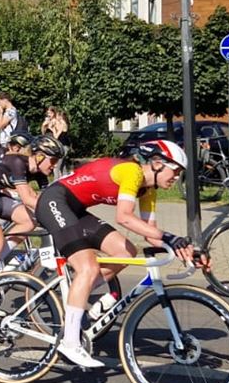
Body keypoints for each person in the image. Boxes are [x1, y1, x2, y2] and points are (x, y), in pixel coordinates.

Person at [32, 139, 195, 367]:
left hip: (76, 209)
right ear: (158, 164)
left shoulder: (148, 190)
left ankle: (79, 293)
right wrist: (169, 238)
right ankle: (70, 342)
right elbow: (124, 217)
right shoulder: (132, 172)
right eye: (175, 171)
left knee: (126, 251)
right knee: (88, 267)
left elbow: (150, 233)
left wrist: (181, 247)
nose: (176, 177)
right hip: (54, 200)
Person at [0, 134, 65, 315]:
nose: (54, 165)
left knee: (30, 220)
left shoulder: (40, 173)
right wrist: (56, 211)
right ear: (39, 156)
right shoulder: (17, 162)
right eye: (53, 160)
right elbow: (28, 199)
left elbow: (44, 198)